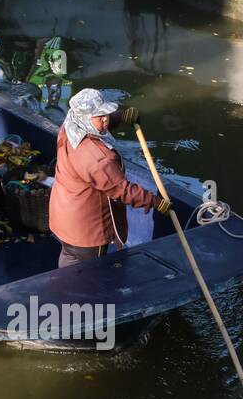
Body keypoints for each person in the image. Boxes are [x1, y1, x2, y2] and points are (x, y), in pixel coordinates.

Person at [49, 89, 170, 268]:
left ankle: (64, 291)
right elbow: (121, 190)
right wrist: (155, 202)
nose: (105, 119)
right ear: (85, 118)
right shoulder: (97, 158)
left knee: (70, 256)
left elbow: (95, 122)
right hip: (87, 229)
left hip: (65, 216)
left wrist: (119, 117)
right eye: (101, 117)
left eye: (106, 114)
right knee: (89, 271)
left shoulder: (70, 125)